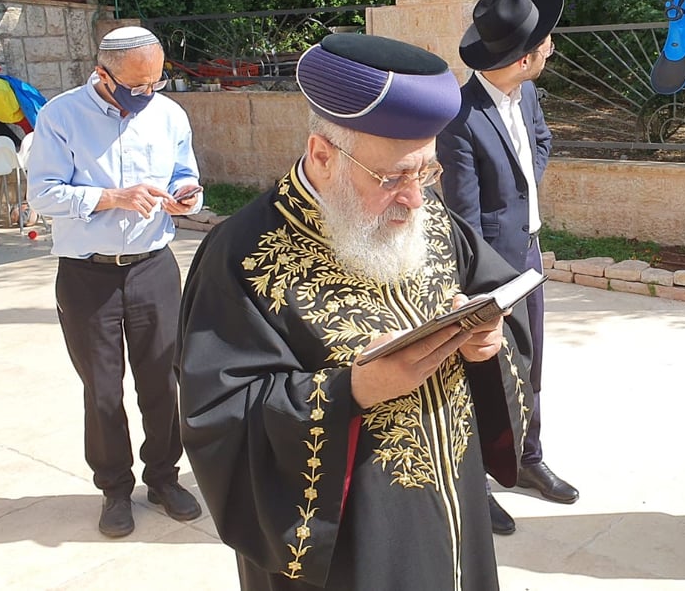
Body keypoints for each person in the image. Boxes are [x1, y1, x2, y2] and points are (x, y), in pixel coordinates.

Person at [176, 33, 534, 590]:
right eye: (393, 177)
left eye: (427, 172)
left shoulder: (432, 220)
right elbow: (219, 419)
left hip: (456, 512)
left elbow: (496, 303)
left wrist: (488, 341)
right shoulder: (242, 255)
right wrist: (355, 390)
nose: (415, 198)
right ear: (322, 154)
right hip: (347, 547)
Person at [26, 26, 204, 538]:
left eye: (155, 82)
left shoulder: (168, 114)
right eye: (136, 87)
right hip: (88, 275)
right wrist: (111, 197)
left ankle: (165, 478)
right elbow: (43, 194)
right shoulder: (60, 116)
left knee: (161, 383)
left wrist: (186, 195)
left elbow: (184, 173)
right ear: (103, 75)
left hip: (153, 267)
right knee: (103, 390)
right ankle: (114, 489)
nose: (147, 95)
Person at [437, 0, 579, 536]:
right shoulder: (461, 116)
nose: (551, 50)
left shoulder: (528, 94)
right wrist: (483, 288)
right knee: (489, 377)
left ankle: (528, 457)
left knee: (532, 366)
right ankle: (478, 484)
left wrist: (524, 198)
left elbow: (540, 143)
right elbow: (464, 217)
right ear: (523, 56)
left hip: (531, 257)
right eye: (546, 44)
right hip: (493, 269)